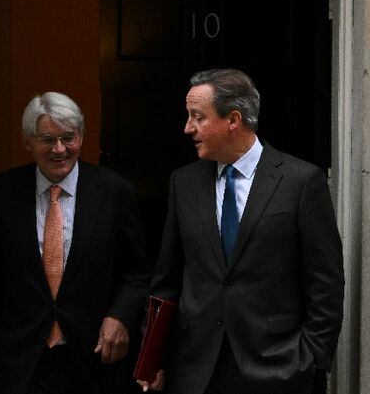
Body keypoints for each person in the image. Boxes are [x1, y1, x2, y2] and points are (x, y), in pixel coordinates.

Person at [144, 69, 345, 394]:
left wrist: (311, 358)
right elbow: (166, 279)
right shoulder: (184, 182)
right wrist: (152, 358)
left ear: (233, 119)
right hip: (194, 370)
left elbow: (326, 283)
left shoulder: (301, 182)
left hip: (277, 368)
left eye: (198, 117)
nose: (188, 128)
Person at [0, 92, 150, 394]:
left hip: (94, 360)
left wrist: (120, 316)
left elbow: (139, 271)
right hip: (23, 361)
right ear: (27, 141)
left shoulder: (114, 193)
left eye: (68, 138)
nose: (59, 149)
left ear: (81, 137)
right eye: (47, 139)